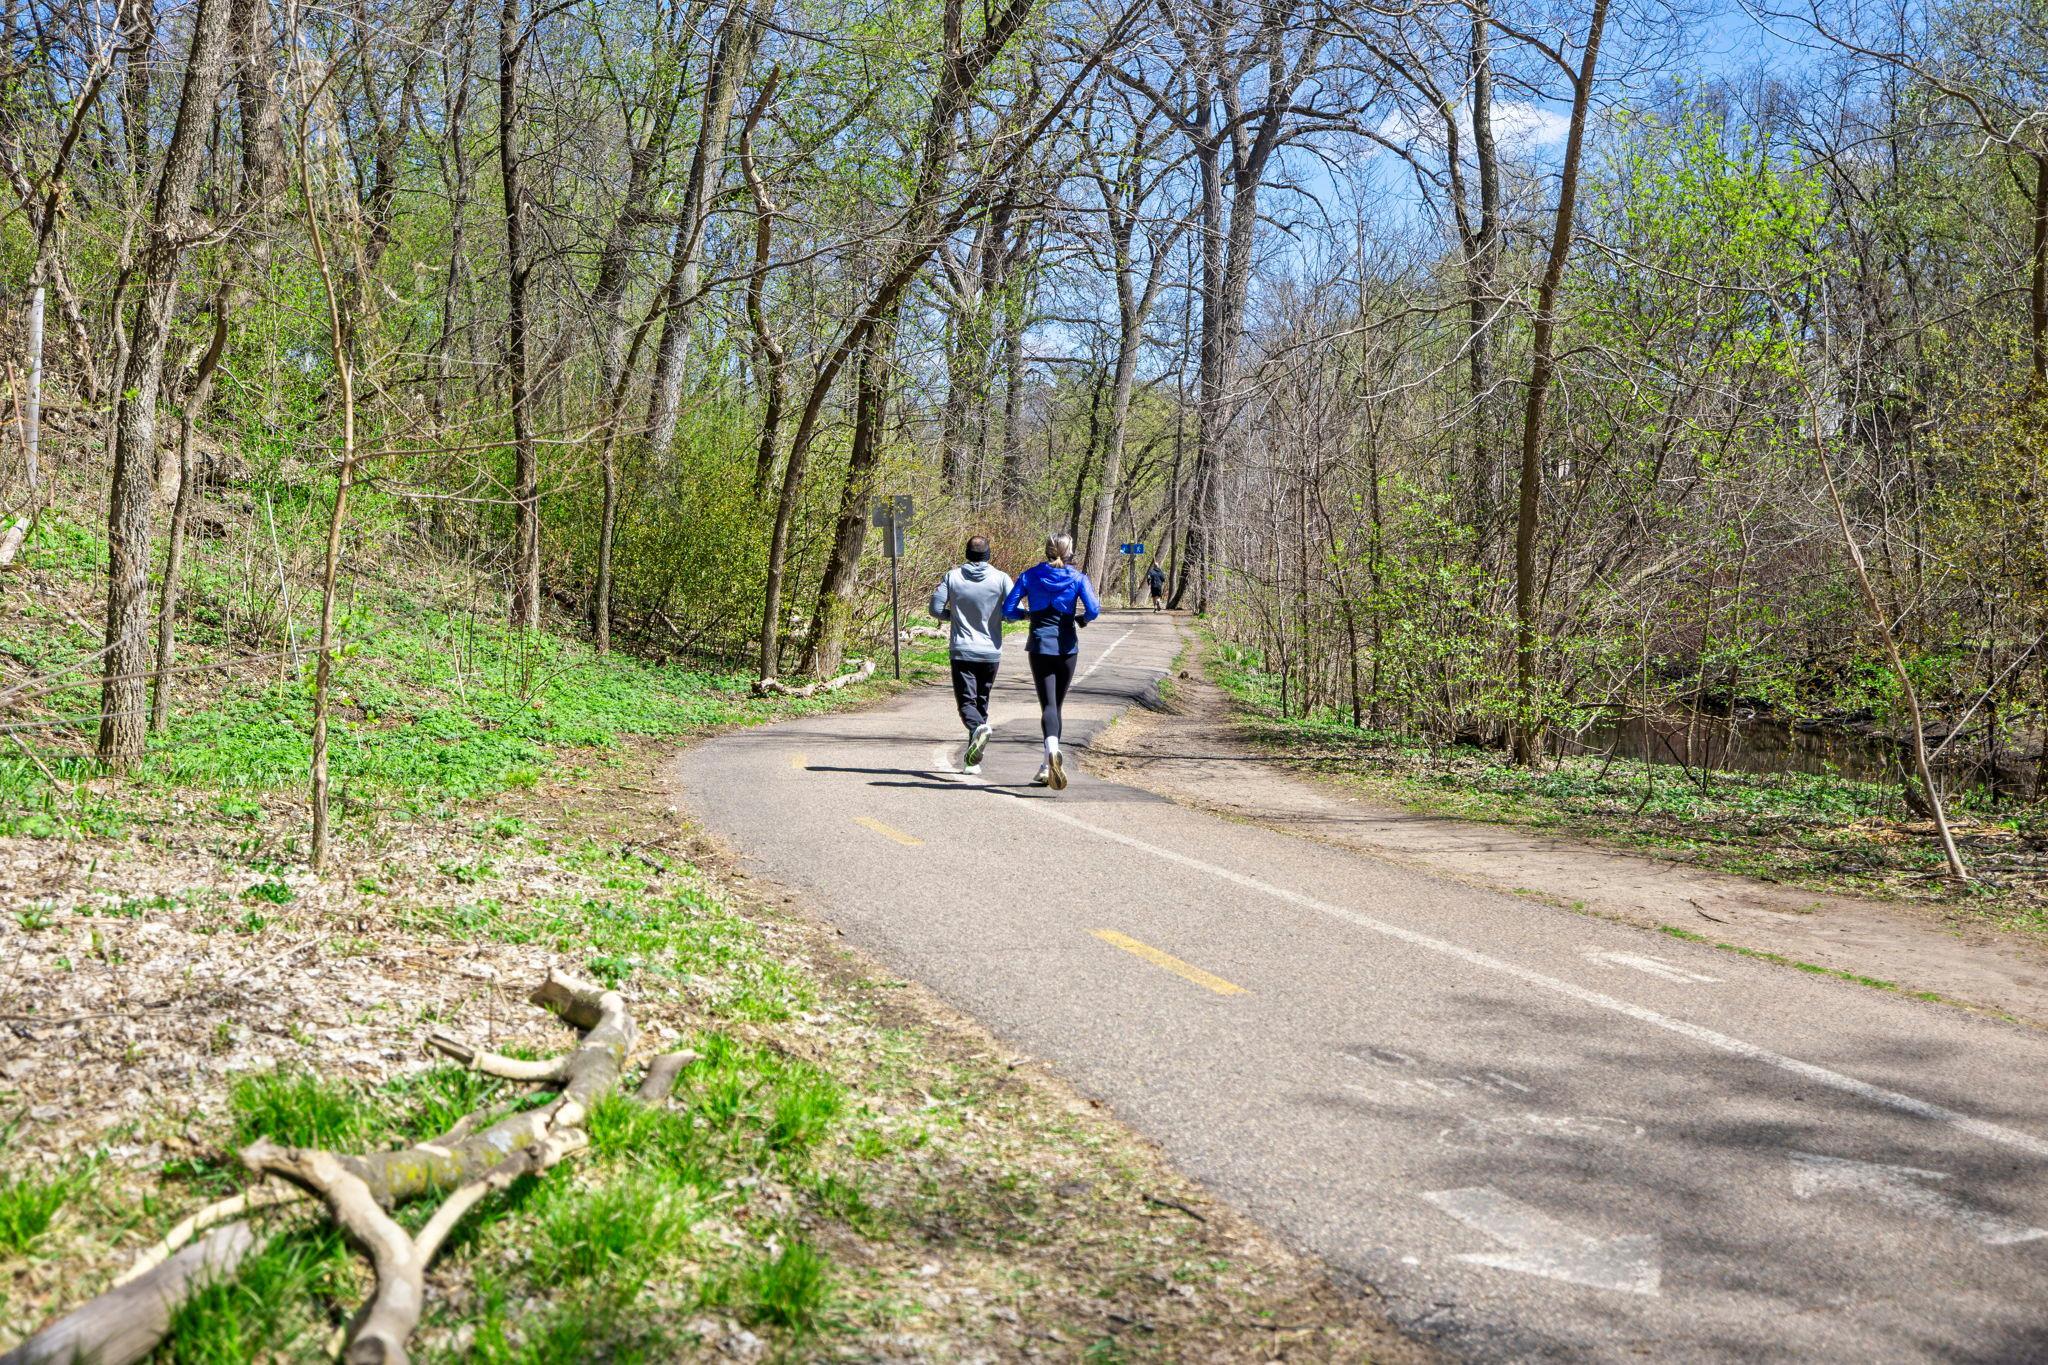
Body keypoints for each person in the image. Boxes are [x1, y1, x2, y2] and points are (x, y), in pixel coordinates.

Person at [1002, 533, 1101, 790]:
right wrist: (1080, 619)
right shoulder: (1078, 579)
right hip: (1068, 647)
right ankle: (1048, 762)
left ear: (1046, 550)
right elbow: (1093, 609)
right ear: (1070, 553)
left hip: (1039, 645)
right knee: (1057, 705)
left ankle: (1050, 757)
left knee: (1047, 705)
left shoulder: (1029, 576)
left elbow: (1008, 610)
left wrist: (1027, 616)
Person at [928, 535, 1012, 774]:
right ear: (988, 555)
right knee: (981, 703)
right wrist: (1002, 618)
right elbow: (1014, 609)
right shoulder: (1001, 578)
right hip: (991, 652)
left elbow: (934, 608)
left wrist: (951, 617)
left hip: (962, 650)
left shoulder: (952, 577)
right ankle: (972, 762)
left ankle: (977, 733)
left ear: (967, 553)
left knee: (966, 703)